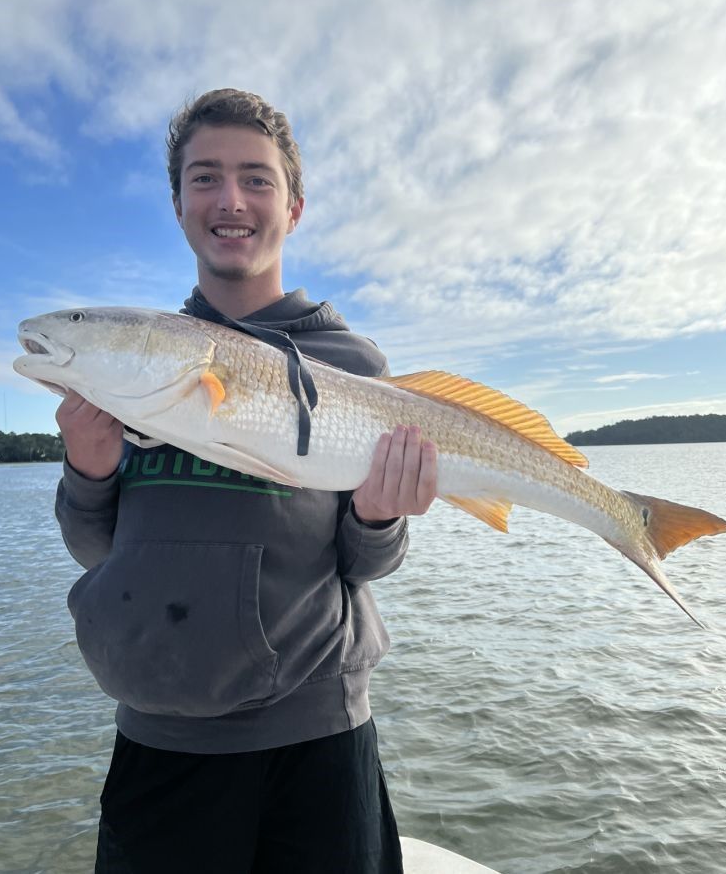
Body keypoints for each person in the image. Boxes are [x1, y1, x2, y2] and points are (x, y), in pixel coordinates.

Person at [55, 88, 438, 873]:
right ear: (178, 206)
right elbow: (97, 552)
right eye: (205, 177)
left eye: (256, 179)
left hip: (319, 738)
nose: (230, 200)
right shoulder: (138, 363)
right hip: (160, 741)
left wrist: (377, 516)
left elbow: (363, 565)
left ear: (293, 208)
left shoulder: (354, 365)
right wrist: (88, 468)